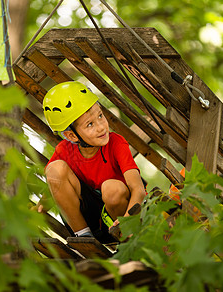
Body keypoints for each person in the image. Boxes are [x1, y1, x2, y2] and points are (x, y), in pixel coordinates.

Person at [38, 81, 145, 243]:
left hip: (125, 216)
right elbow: (54, 182)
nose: (101, 127)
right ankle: (84, 238)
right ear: (72, 136)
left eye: (100, 116)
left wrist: (128, 221)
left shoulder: (116, 143)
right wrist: (40, 206)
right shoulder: (64, 150)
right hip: (92, 221)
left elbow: (139, 189)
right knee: (54, 168)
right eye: (90, 124)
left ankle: (129, 237)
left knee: (111, 188)